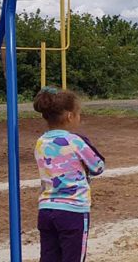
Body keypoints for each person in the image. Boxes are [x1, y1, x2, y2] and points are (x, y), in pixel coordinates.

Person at [33, 87, 105, 262]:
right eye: (78, 113)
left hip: (46, 210)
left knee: (49, 258)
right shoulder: (75, 141)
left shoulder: (41, 141)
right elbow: (98, 167)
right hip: (73, 211)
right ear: (70, 116)